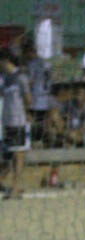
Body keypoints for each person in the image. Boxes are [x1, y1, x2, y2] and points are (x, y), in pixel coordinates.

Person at [0, 48, 31, 200]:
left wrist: (26, 115)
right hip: (7, 122)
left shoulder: (20, 77)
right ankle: (14, 186)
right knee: (11, 156)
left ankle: (15, 188)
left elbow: (28, 99)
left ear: (6, 62)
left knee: (18, 155)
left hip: (18, 121)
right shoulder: (4, 78)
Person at [21, 38, 51, 145]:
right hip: (46, 98)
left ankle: (35, 142)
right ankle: (43, 142)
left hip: (36, 99)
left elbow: (30, 81)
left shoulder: (32, 64)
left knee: (33, 122)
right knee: (43, 122)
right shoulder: (46, 63)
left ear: (28, 52)